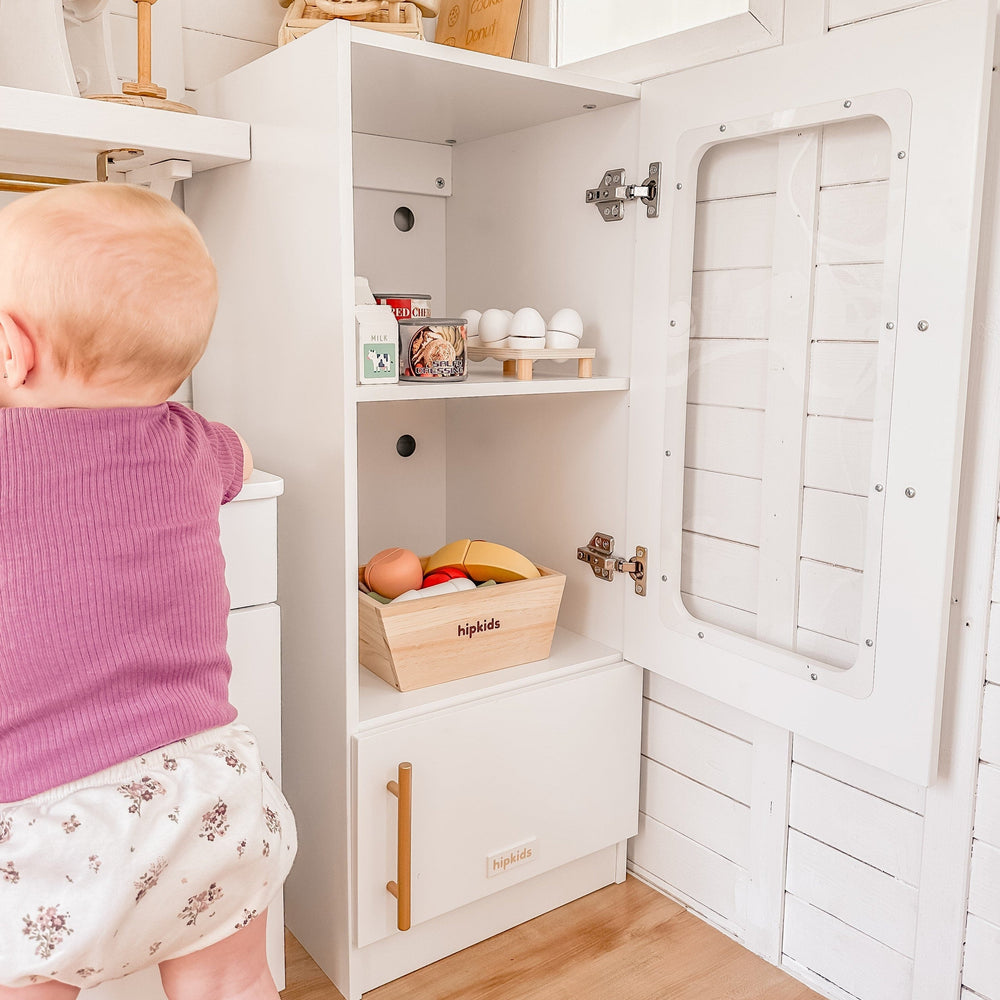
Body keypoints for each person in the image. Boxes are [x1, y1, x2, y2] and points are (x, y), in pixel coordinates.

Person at [0, 183, 296, 999]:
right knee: (233, 984)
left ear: (11, 348)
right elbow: (242, 454)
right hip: (209, 795)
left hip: (47, 824)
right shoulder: (194, 445)